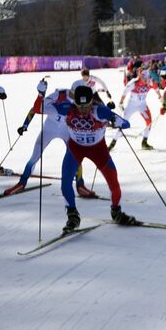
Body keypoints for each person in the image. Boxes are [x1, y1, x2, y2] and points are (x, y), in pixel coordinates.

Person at [53, 82, 134, 232]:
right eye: (80, 106)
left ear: (92, 102)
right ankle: (73, 216)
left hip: (98, 150)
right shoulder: (67, 109)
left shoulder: (100, 110)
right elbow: (39, 108)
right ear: (74, 103)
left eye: (87, 106)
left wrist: (119, 121)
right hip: (75, 149)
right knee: (65, 184)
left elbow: (126, 123)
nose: (83, 110)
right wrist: (41, 94)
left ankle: (116, 211)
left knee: (114, 184)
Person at [119, 65, 162, 149]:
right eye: (143, 77)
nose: (145, 79)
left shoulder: (150, 81)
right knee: (123, 123)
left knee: (149, 122)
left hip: (142, 105)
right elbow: (124, 92)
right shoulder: (133, 82)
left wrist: (160, 98)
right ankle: (113, 143)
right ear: (139, 76)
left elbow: (156, 89)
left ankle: (144, 143)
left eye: (147, 77)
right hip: (131, 105)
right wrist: (121, 102)